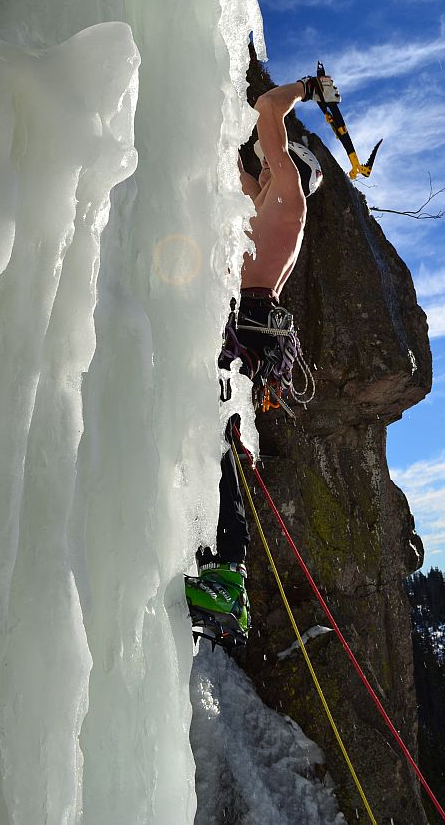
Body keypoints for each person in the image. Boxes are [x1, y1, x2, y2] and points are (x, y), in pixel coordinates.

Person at [185, 75, 332, 649]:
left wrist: (308, 88)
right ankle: (215, 562)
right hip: (240, 326)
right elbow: (229, 170)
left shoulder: (289, 195)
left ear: (288, 162)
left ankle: (228, 573)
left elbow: (268, 108)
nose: (260, 167)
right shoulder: (267, 204)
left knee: (221, 440)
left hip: (241, 326)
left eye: (269, 159)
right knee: (210, 436)